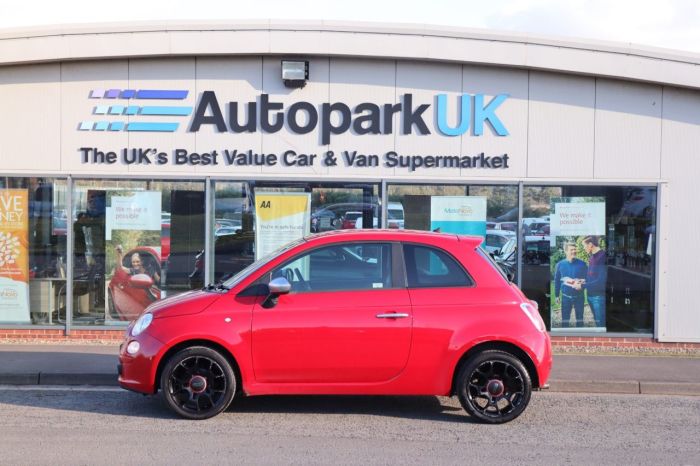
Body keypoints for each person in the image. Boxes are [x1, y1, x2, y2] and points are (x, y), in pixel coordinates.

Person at [553, 242, 588, 328]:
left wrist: (581, 282)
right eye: (571, 250)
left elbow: (588, 279)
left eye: (575, 249)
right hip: (565, 297)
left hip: (579, 297)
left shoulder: (582, 264)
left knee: (580, 321)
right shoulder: (560, 265)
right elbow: (557, 281)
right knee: (565, 321)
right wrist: (557, 295)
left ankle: (580, 338)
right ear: (566, 251)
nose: (574, 251)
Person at [581, 236, 607, 327]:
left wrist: (582, 286)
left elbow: (601, 281)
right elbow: (591, 275)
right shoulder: (592, 257)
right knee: (597, 323)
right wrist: (583, 280)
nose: (584, 248)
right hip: (590, 296)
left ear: (590, 245)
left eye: (584, 246)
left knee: (601, 326)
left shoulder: (603, 257)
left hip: (598, 297)